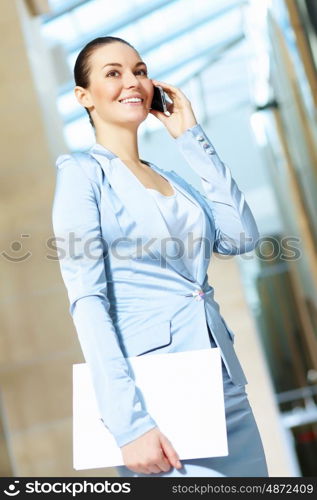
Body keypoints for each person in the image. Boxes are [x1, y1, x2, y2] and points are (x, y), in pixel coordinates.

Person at [52, 35, 268, 477]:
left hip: (222, 384)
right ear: (84, 96)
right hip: (155, 400)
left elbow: (241, 237)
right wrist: (128, 424)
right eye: (113, 73)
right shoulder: (81, 176)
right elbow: (88, 303)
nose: (132, 81)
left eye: (140, 70)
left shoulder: (173, 179)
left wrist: (191, 137)